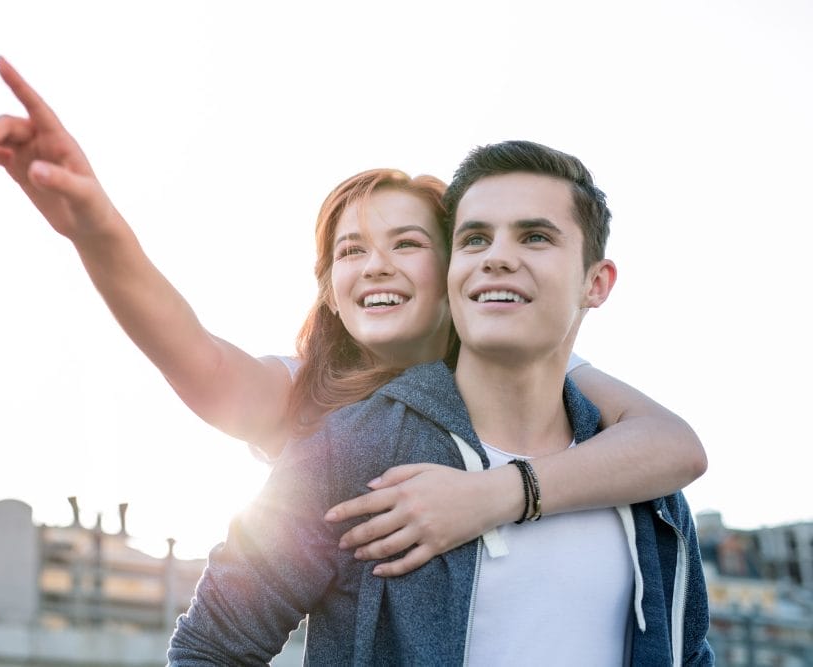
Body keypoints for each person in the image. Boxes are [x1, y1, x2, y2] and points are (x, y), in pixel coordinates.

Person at [0, 58, 706, 577]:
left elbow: (673, 445)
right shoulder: (309, 401)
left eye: (406, 243)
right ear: (329, 283)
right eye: (351, 251)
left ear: (452, 269)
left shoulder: (519, 380)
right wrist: (95, 224)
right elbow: (191, 352)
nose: (374, 264)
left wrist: (495, 493)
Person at [167, 140, 712, 665]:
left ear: (596, 283)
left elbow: (688, 654)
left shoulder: (645, 490)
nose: (497, 257)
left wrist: (507, 492)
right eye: (475, 239)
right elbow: (211, 650)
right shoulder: (352, 450)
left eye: (535, 237)